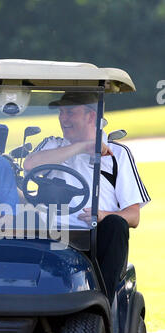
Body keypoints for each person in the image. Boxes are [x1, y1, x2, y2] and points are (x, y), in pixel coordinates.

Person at [23, 92, 150, 303]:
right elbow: (29, 165)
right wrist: (82, 146)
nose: (63, 119)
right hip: (52, 234)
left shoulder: (118, 153)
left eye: (70, 112)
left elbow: (133, 216)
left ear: (91, 117)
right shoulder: (53, 144)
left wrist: (101, 214)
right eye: (61, 113)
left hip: (93, 238)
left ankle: (103, 307)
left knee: (116, 224)